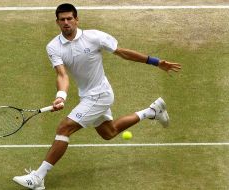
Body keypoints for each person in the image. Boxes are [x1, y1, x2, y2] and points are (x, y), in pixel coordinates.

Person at [13, 3, 181, 190]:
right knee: (108, 133)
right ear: (57, 22)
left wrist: (155, 62)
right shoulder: (53, 46)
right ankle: (152, 111)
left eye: (70, 18)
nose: (66, 22)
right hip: (86, 96)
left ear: (77, 19)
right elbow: (62, 74)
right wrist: (61, 96)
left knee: (64, 128)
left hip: (100, 95)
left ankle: (38, 177)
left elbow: (123, 53)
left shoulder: (94, 37)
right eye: (62, 20)